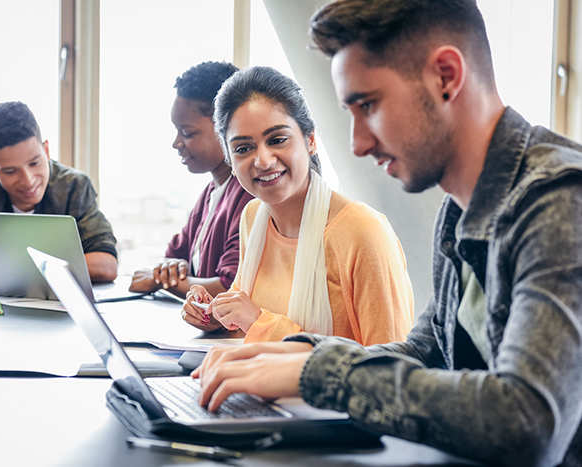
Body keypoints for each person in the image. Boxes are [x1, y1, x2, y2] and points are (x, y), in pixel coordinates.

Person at [192, 1, 582, 465]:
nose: (357, 142)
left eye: (369, 105)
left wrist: (320, 372)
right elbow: (429, 350)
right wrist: (289, 357)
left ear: (446, 75)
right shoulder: (459, 210)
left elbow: (527, 422)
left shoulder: (559, 201)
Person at [181, 66, 414, 345]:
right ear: (229, 159)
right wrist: (212, 315)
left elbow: (389, 368)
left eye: (277, 140)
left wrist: (259, 322)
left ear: (311, 140)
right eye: (244, 148)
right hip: (259, 383)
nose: (263, 161)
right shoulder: (253, 218)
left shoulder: (362, 232)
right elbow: (246, 324)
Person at [0, 101, 118, 292]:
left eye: (34, 163)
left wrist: (21, 275)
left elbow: (106, 263)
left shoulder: (74, 187)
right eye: (10, 171)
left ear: (46, 150)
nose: (28, 180)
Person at [129, 61, 254, 299]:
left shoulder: (249, 196)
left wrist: (159, 280)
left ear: (225, 127)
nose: (176, 143)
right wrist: (167, 273)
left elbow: (229, 287)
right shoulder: (209, 194)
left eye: (187, 132)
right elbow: (173, 257)